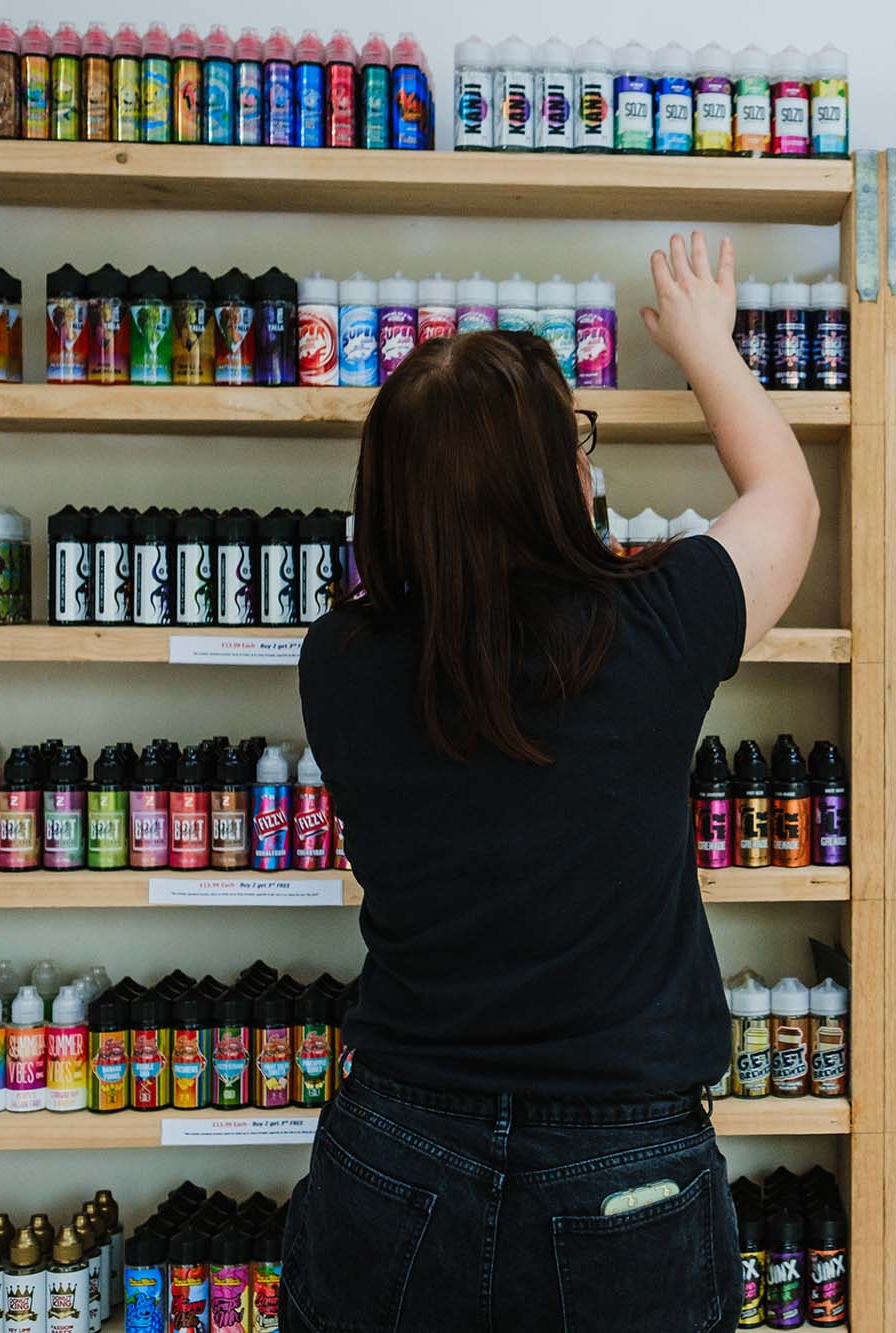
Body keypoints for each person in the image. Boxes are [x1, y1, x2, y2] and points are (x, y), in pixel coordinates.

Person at [283, 232, 819, 1333]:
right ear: (553, 480)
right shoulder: (651, 626)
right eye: (574, 441)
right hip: (622, 1168)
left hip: (393, 1154)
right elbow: (786, 497)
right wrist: (707, 347)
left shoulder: (337, 661)